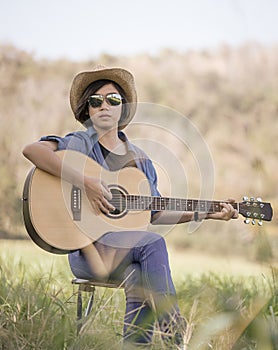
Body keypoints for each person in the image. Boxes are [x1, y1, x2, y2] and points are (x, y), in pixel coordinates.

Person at [23, 65, 238, 348]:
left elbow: (156, 212)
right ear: (86, 110)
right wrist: (85, 181)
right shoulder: (79, 143)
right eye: (95, 100)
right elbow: (32, 151)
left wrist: (207, 212)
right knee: (151, 244)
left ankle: (135, 345)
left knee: (141, 273)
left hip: (123, 253)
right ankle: (177, 336)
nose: (104, 106)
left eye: (113, 100)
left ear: (123, 109)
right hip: (86, 251)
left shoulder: (140, 161)